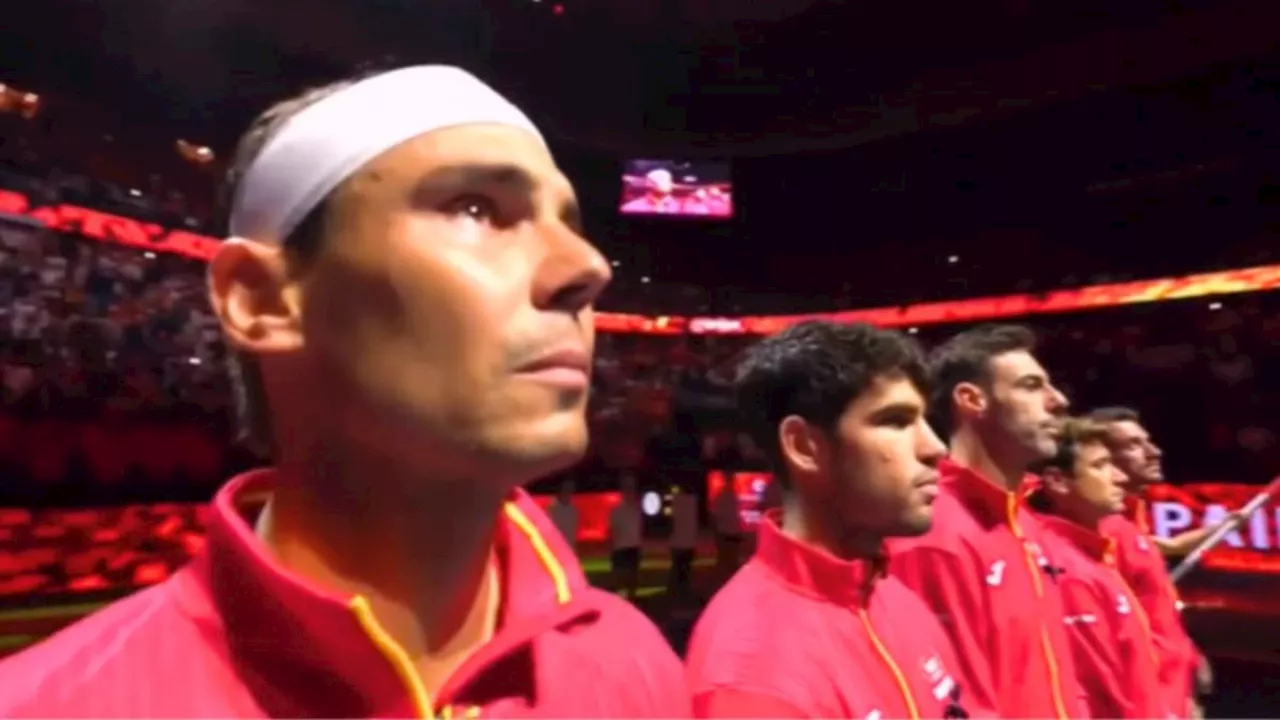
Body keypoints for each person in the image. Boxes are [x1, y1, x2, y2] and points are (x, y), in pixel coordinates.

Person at [0, 66, 690, 717]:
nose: (589, 268)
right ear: (262, 299)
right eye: (475, 208)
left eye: (569, 223)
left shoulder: (634, 664)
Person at [686, 321, 971, 718]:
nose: (936, 447)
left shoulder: (893, 597)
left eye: (925, 421)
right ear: (804, 446)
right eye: (896, 421)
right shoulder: (753, 676)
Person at [888, 324, 1087, 719]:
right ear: (971, 399)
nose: (1059, 400)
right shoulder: (931, 533)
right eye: (1031, 386)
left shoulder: (1022, 520)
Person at [1027, 417, 1171, 718]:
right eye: (1101, 465)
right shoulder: (1064, 568)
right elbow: (1101, 692)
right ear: (1058, 482)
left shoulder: (1091, 553)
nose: (1119, 477)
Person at [1089, 406, 1209, 716]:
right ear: (1102, 459)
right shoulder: (1100, 533)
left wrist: (1188, 655)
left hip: (1173, 690)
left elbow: (1166, 552)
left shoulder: (1131, 521)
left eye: (1147, 441)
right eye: (1133, 445)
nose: (1154, 452)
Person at [609, 473, 643, 598]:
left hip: (633, 549)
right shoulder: (616, 510)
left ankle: (631, 604)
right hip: (621, 550)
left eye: (632, 487)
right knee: (621, 584)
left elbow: (639, 530)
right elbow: (613, 532)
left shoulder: (636, 509)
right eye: (627, 487)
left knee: (632, 584)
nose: (630, 490)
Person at [668, 481, 699, 596]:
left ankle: (674, 591)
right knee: (685, 570)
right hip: (689, 542)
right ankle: (683, 591)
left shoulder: (677, 501)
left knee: (676, 568)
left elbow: (672, 522)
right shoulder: (693, 501)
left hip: (678, 542)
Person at [547, 478, 579, 554]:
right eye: (567, 489)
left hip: (570, 548)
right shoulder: (552, 510)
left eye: (571, 490)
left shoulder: (573, 510)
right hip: (557, 549)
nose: (569, 493)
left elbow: (573, 530)